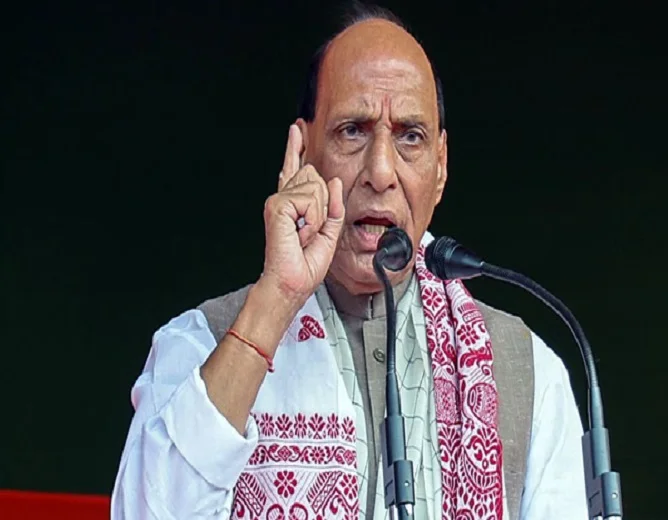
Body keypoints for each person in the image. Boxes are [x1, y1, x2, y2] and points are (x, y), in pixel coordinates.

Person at [111, 5, 588, 520]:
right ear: (303, 152)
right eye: (353, 131)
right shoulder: (200, 344)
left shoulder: (525, 371)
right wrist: (276, 299)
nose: (381, 171)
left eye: (410, 136)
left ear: (441, 167)